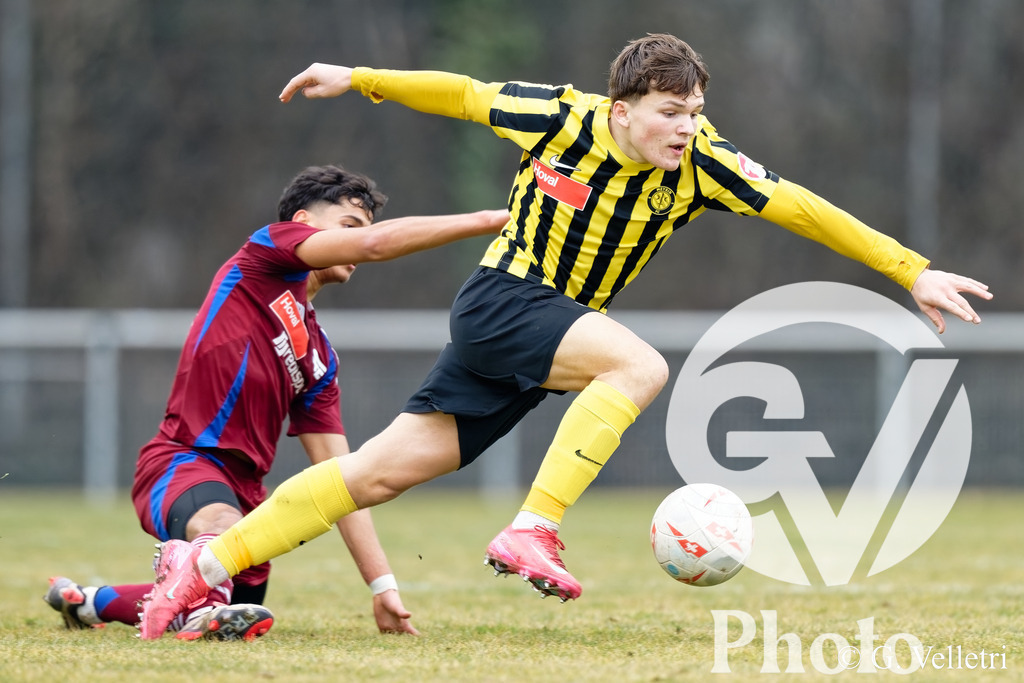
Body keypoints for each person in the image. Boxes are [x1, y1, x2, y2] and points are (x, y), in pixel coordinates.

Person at [138, 33, 993, 635]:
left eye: (695, 110)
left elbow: (804, 206)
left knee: (376, 474)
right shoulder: (560, 118)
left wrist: (909, 268)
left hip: (538, 344)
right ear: (621, 109)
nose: (686, 127)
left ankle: (200, 570)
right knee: (639, 364)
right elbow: (461, 93)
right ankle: (533, 526)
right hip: (505, 300)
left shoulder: (706, 164)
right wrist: (357, 74)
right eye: (669, 111)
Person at [45, 164, 507, 641]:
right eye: (349, 227)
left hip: (250, 505)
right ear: (302, 224)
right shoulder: (265, 254)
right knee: (220, 539)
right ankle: (193, 586)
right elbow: (376, 246)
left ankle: (88, 602)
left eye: (365, 230)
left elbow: (341, 478)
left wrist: (381, 584)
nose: (360, 243)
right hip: (181, 464)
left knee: (235, 603)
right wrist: (494, 219)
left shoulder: (320, 359)